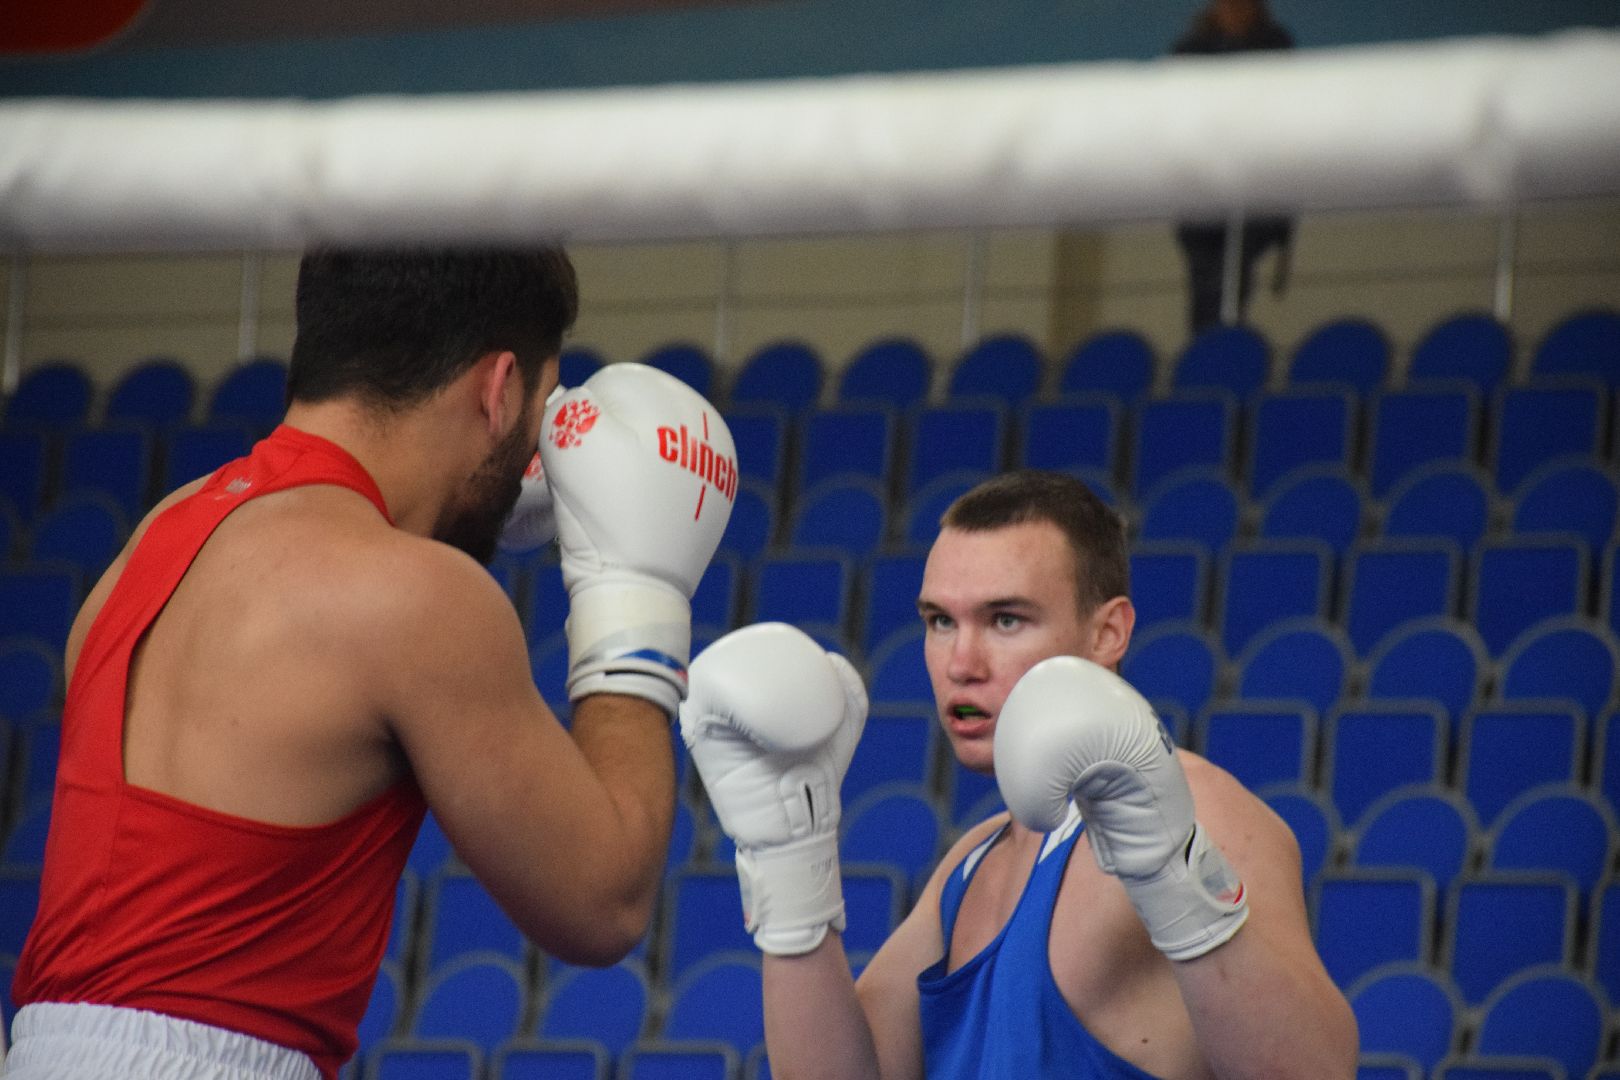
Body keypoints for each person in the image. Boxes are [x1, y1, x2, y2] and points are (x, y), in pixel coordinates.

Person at [7, 248, 736, 1079]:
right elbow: (604, 902)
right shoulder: (414, 596)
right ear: (499, 390)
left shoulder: (148, 545)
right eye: (541, 404)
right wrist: (635, 591)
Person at [681, 469, 1358, 1079]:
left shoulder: (1202, 809)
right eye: (940, 621)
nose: (961, 661)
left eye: (1006, 619)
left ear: (1109, 633)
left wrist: (1171, 871)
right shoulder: (972, 864)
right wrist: (786, 857)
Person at [1170, 0, 1296, 337]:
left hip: (1254, 189)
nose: (1235, 10)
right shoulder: (1190, 51)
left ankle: (1224, 348)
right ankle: (1204, 351)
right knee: (1204, 280)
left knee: (1232, 277)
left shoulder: (1276, 47)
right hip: (1201, 189)